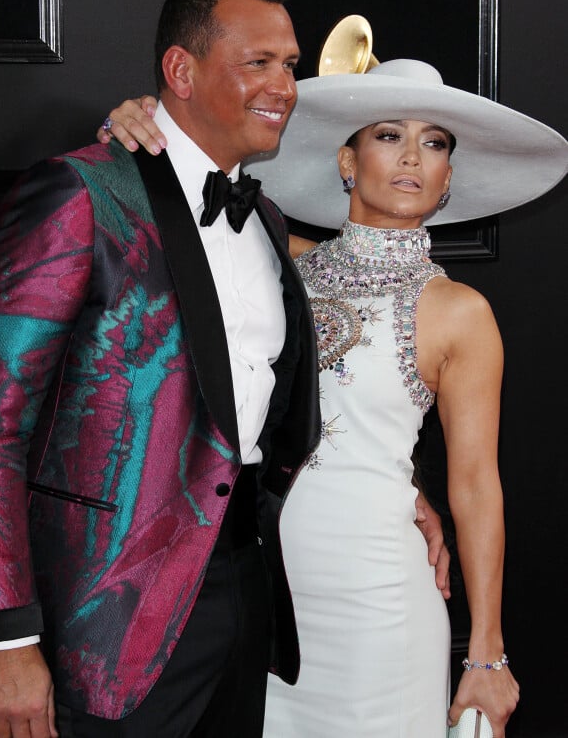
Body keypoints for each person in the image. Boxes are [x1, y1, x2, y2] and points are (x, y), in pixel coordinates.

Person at [100, 58, 568, 738]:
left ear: (446, 181)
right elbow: (159, 199)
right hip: (255, 594)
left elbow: (476, 486)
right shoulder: (267, 252)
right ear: (346, 161)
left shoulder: (460, 312)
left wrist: (488, 655)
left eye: (434, 143)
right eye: (388, 135)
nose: (412, 156)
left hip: (380, 606)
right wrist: (131, 124)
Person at [0, 0, 320, 738]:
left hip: (240, 598)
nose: (285, 86)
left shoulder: (265, 215)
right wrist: (6, 632)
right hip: (103, 621)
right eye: (259, 62)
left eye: (292, 65)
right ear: (181, 71)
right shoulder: (81, 194)